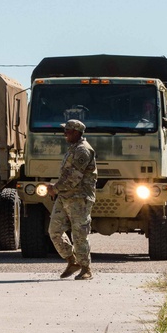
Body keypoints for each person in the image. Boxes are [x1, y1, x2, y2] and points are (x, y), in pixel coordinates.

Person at [46, 119, 97, 280]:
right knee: (54, 231)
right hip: (65, 196)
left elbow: (73, 177)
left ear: (76, 132)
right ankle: (71, 260)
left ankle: (86, 268)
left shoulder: (83, 150)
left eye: (67, 130)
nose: (64, 133)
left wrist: (55, 188)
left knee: (79, 234)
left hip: (79, 198)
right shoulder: (73, 148)